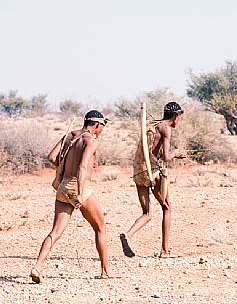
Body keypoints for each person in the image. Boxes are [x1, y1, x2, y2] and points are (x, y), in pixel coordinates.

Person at [30, 110, 113, 283]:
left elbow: (51, 157)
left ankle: (37, 267)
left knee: (55, 232)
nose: (102, 129)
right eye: (103, 126)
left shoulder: (70, 135)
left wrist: (64, 167)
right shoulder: (91, 141)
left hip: (63, 187)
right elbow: (82, 167)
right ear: (97, 125)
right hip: (80, 187)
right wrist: (80, 194)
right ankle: (105, 272)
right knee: (100, 228)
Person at [120, 102, 186, 258]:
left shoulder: (150, 124)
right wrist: (176, 153)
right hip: (153, 172)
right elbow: (166, 157)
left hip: (139, 171)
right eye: (180, 117)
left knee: (147, 213)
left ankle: (128, 234)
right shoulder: (165, 128)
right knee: (167, 207)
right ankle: (164, 251)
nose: (180, 121)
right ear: (176, 116)